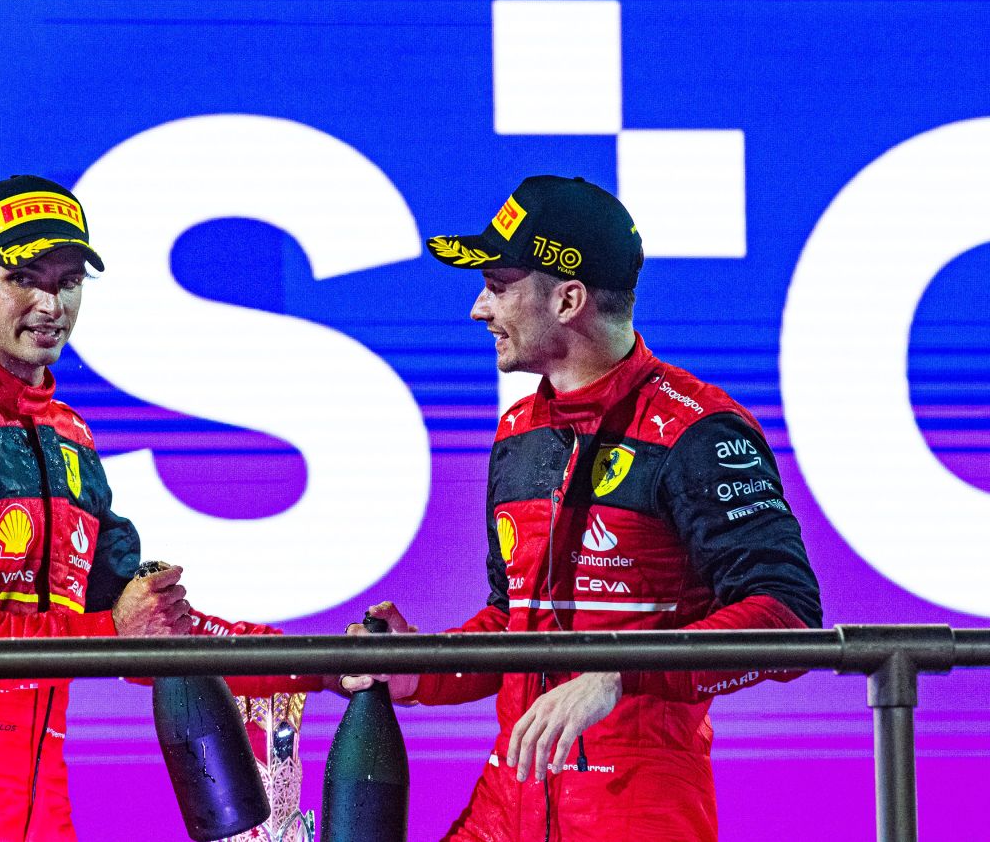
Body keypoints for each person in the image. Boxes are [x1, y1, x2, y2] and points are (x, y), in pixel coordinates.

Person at [0, 175, 320, 841]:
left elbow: (146, 627)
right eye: (23, 279)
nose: (51, 304)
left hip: (38, 805)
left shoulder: (67, 435)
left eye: (68, 281)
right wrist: (113, 631)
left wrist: (322, 661)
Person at [343, 175, 822, 841]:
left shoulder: (698, 431)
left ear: (568, 299)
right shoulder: (518, 431)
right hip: (506, 804)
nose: (479, 309)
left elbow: (789, 618)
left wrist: (619, 671)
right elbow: (513, 624)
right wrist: (419, 669)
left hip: (637, 812)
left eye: (498, 285)